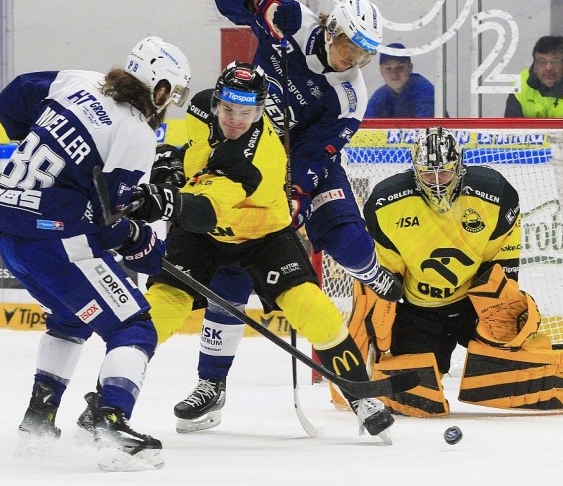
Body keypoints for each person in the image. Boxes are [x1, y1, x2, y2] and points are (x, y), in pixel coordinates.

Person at [146, 0, 403, 432]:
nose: (353, 60)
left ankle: (370, 273)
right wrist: (260, 2)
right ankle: (211, 385)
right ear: (331, 31)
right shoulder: (294, 21)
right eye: (350, 47)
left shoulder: (351, 96)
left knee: (346, 243)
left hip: (299, 170)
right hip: (244, 150)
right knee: (227, 269)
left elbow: (316, 154)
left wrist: (295, 194)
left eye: (364, 55)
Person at [88, 61, 394, 441]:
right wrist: (174, 164)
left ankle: (361, 395)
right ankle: (105, 402)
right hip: (203, 235)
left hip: (261, 235)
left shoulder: (255, 157)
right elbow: (196, 156)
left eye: (246, 113)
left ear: (260, 111)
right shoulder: (199, 112)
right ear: (215, 102)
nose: (234, 120)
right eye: (228, 108)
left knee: (311, 308)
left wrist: (164, 199)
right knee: (159, 312)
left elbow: (203, 210)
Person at [342, 126, 563, 417]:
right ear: (414, 171)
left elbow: (502, 271)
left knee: (524, 361)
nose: (436, 182)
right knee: (414, 395)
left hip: (475, 309)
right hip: (419, 314)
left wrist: (504, 318)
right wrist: (370, 335)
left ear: (459, 167)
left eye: (444, 173)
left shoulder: (495, 194)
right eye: (428, 174)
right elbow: (382, 278)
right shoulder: (385, 203)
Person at [0, 36, 191, 471]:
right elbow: (107, 223)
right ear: (157, 87)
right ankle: (111, 423)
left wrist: (41, 149)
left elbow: (12, 96)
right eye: (170, 93)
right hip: (54, 240)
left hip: (10, 228)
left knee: (71, 316)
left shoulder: (80, 81)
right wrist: (142, 242)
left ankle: (38, 421)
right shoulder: (136, 131)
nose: (169, 103)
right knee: (134, 327)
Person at [364, 42, 435, 118]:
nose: (394, 74)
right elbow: (364, 121)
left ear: (409, 68)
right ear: (381, 71)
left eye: (400, 68)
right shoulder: (382, 93)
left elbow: (423, 125)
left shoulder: (425, 91)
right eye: (388, 68)